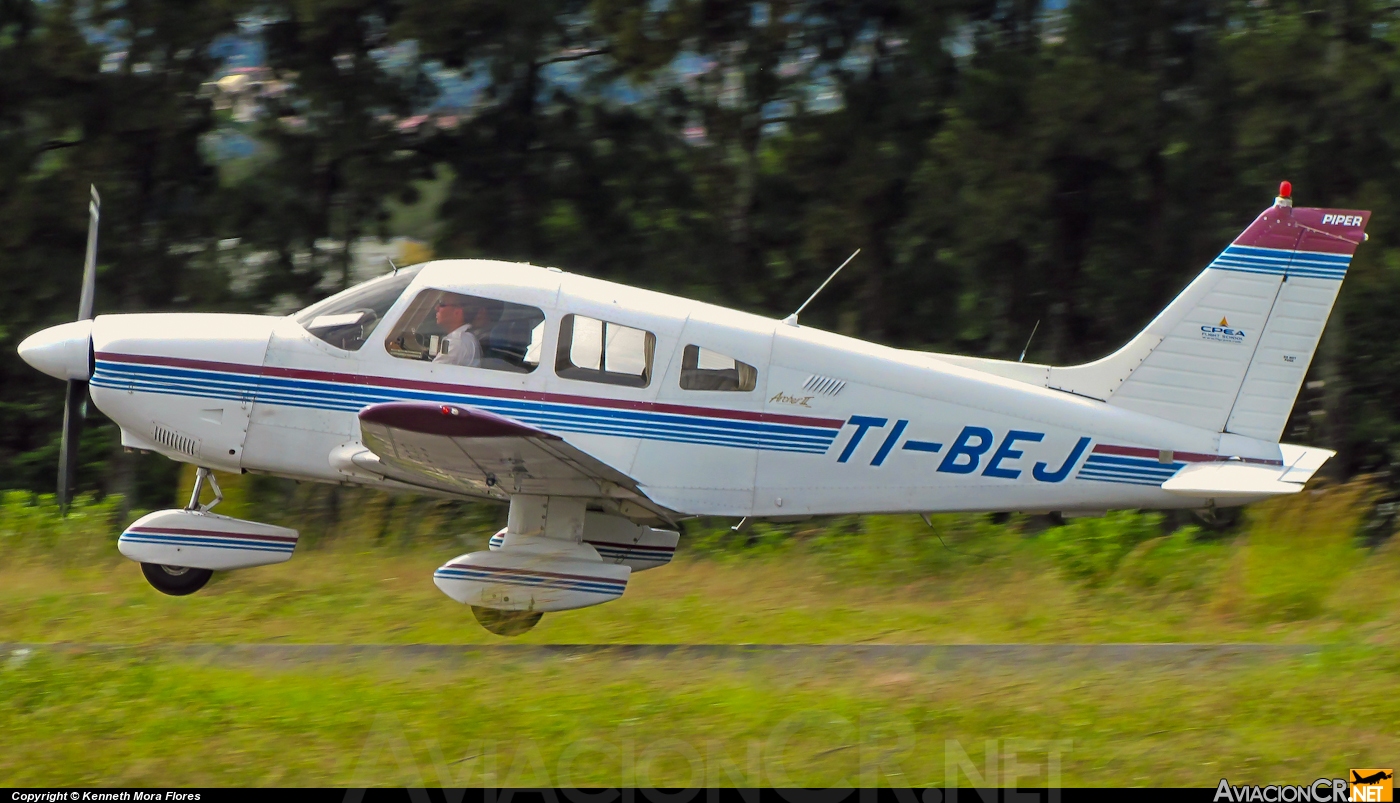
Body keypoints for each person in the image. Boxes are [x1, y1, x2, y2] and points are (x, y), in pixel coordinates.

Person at [433, 296, 496, 367]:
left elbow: (433, 372)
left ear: (457, 312)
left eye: (442, 304)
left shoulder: (456, 342)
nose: (436, 308)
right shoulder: (464, 337)